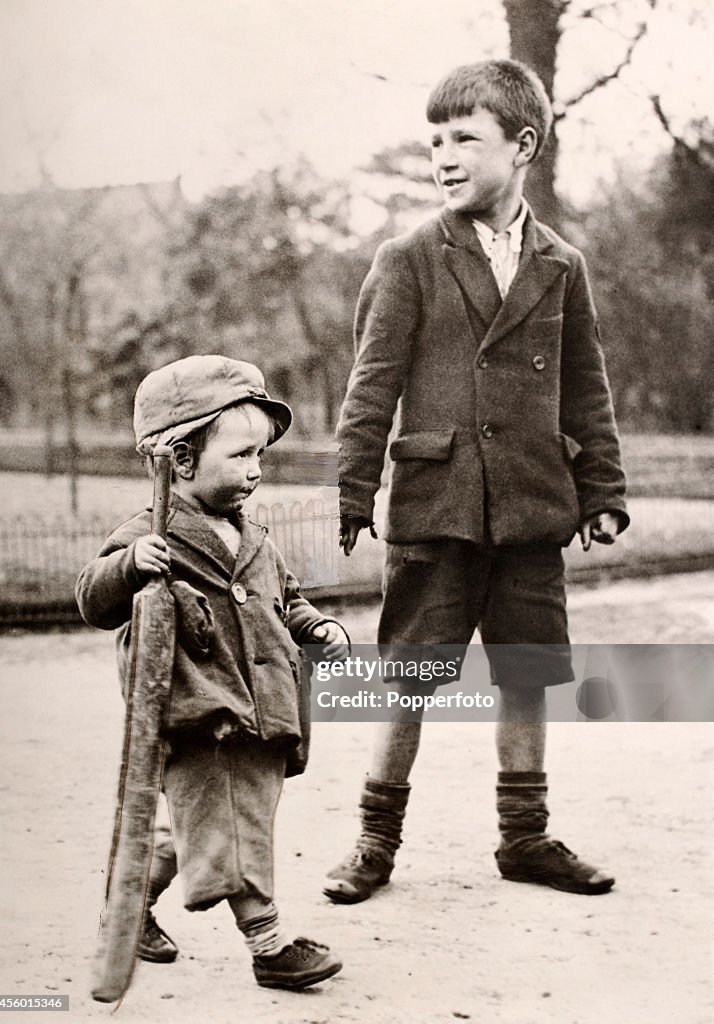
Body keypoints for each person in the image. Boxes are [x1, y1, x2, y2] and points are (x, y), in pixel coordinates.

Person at [324, 59, 629, 905]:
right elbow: (370, 384)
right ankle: (373, 843)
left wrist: (601, 492)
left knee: (528, 671)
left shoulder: (562, 263)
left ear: (522, 145)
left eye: (466, 138)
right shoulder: (410, 258)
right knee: (411, 675)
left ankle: (524, 839)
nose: (444, 156)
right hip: (438, 507)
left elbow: (586, 385)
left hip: (532, 508)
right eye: (435, 141)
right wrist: (353, 488)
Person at [76, 354, 348, 990]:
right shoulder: (151, 535)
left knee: (202, 826)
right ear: (181, 462)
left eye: (260, 456)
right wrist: (130, 566)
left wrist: (317, 628)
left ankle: (128, 905)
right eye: (240, 456)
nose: (255, 471)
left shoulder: (252, 535)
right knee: (233, 827)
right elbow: (93, 598)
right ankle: (270, 945)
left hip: (264, 709)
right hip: (202, 714)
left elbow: (288, 598)